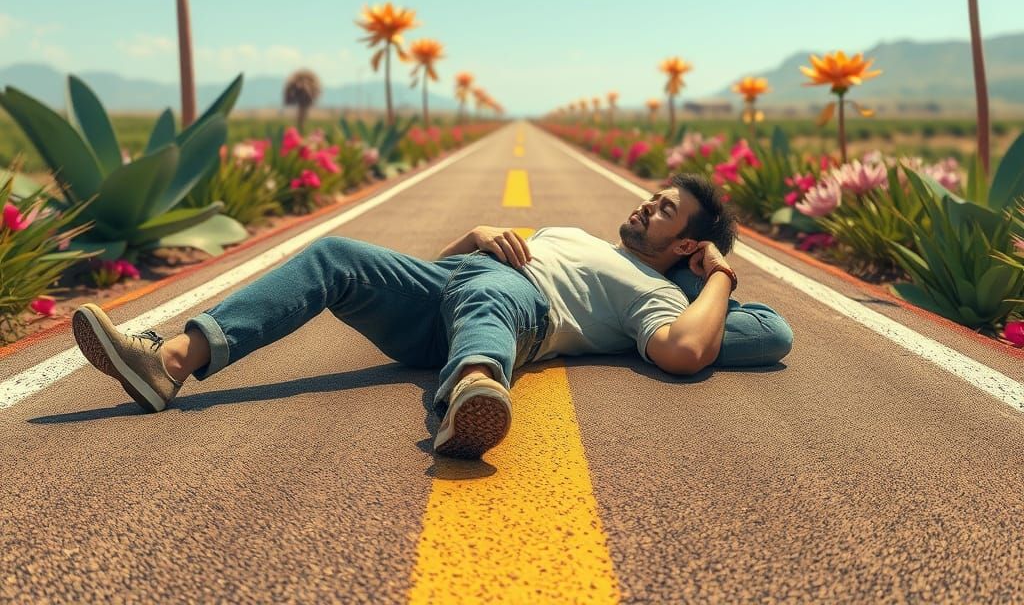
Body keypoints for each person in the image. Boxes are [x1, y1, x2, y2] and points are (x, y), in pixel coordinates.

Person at [72, 173, 793, 460]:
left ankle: (473, 392)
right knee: (335, 256)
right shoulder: (576, 237)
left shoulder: (660, 296)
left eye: (665, 208)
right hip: (448, 290)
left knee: (494, 295)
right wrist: (472, 239)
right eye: (653, 193)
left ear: (688, 242)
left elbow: (706, 348)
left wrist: (721, 275)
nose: (646, 204)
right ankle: (167, 362)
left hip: (518, 311)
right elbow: (447, 275)